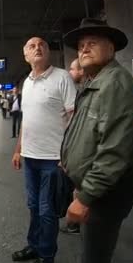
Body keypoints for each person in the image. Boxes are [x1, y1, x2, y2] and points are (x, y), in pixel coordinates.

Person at [61, 18, 133, 263]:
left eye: (92, 43)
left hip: (107, 194)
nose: (83, 49)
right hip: (95, 188)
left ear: (111, 49)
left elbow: (114, 152)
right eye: (81, 45)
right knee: (92, 255)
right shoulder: (94, 83)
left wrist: (86, 196)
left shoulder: (114, 84)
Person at [11, 37, 76, 263]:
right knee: (33, 206)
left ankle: (46, 257)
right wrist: (18, 149)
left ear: (49, 53)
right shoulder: (26, 82)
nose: (37, 48)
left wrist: (66, 155)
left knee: (47, 210)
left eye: (42, 45)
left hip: (53, 159)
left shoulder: (62, 78)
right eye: (31, 46)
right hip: (30, 156)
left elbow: (74, 118)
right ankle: (34, 245)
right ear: (25, 55)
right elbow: (26, 120)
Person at [59, 57, 85, 235]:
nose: (69, 72)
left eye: (73, 69)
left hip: (81, 152)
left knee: (78, 188)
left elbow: (76, 125)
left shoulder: (81, 92)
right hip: (78, 151)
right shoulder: (82, 91)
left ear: (82, 71)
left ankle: (75, 224)